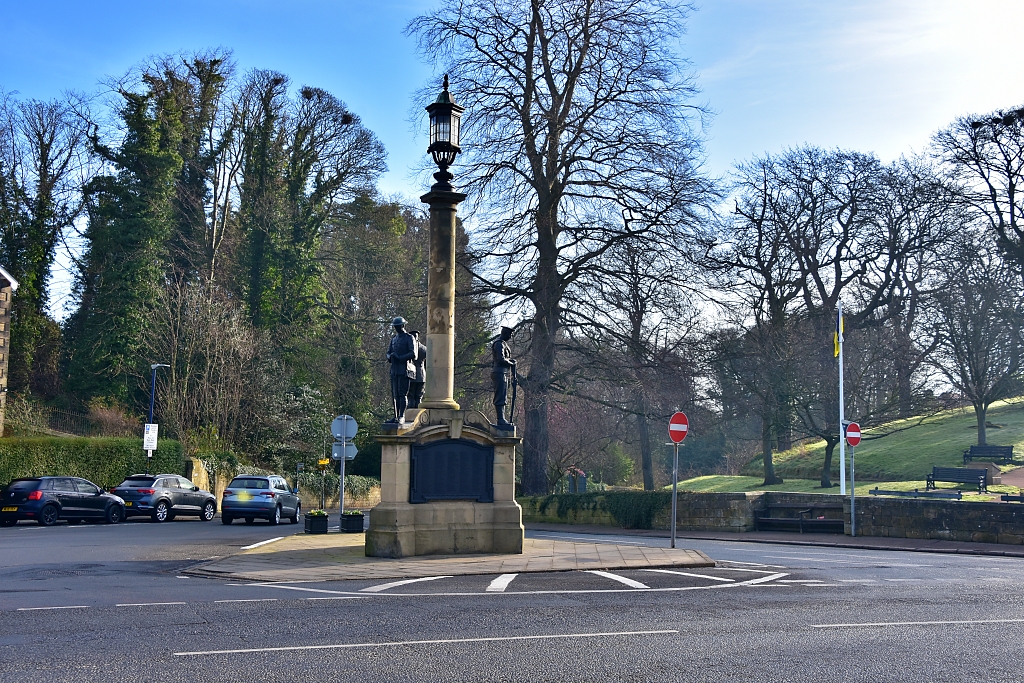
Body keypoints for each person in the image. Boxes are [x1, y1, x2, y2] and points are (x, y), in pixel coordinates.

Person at [386, 317, 417, 423]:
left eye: (398, 326)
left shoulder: (409, 338)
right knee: (395, 394)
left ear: (402, 326)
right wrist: (390, 357)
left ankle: (401, 416)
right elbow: (388, 352)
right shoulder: (394, 339)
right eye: (395, 326)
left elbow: (413, 354)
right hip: (394, 369)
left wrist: (399, 357)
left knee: (402, 393)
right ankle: (395, 416)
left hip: (404, 369)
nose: (396, 328)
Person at [491, 326, 516, 427]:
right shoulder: (499, 344)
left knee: (503, 395)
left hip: (503, 373)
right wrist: (511, 363)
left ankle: (502, 418)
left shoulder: (503, 344)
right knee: (500, 395)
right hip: (499, 372)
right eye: (509, 335)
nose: (510, 337)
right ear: (505, 333)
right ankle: (500, 419)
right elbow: (501, 359)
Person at [408, 330, 428, 409]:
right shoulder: (424, 348)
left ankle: (410, 415)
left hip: (412, 374)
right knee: (419, 396)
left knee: (411, 396)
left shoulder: (409, 348)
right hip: (422, 374)